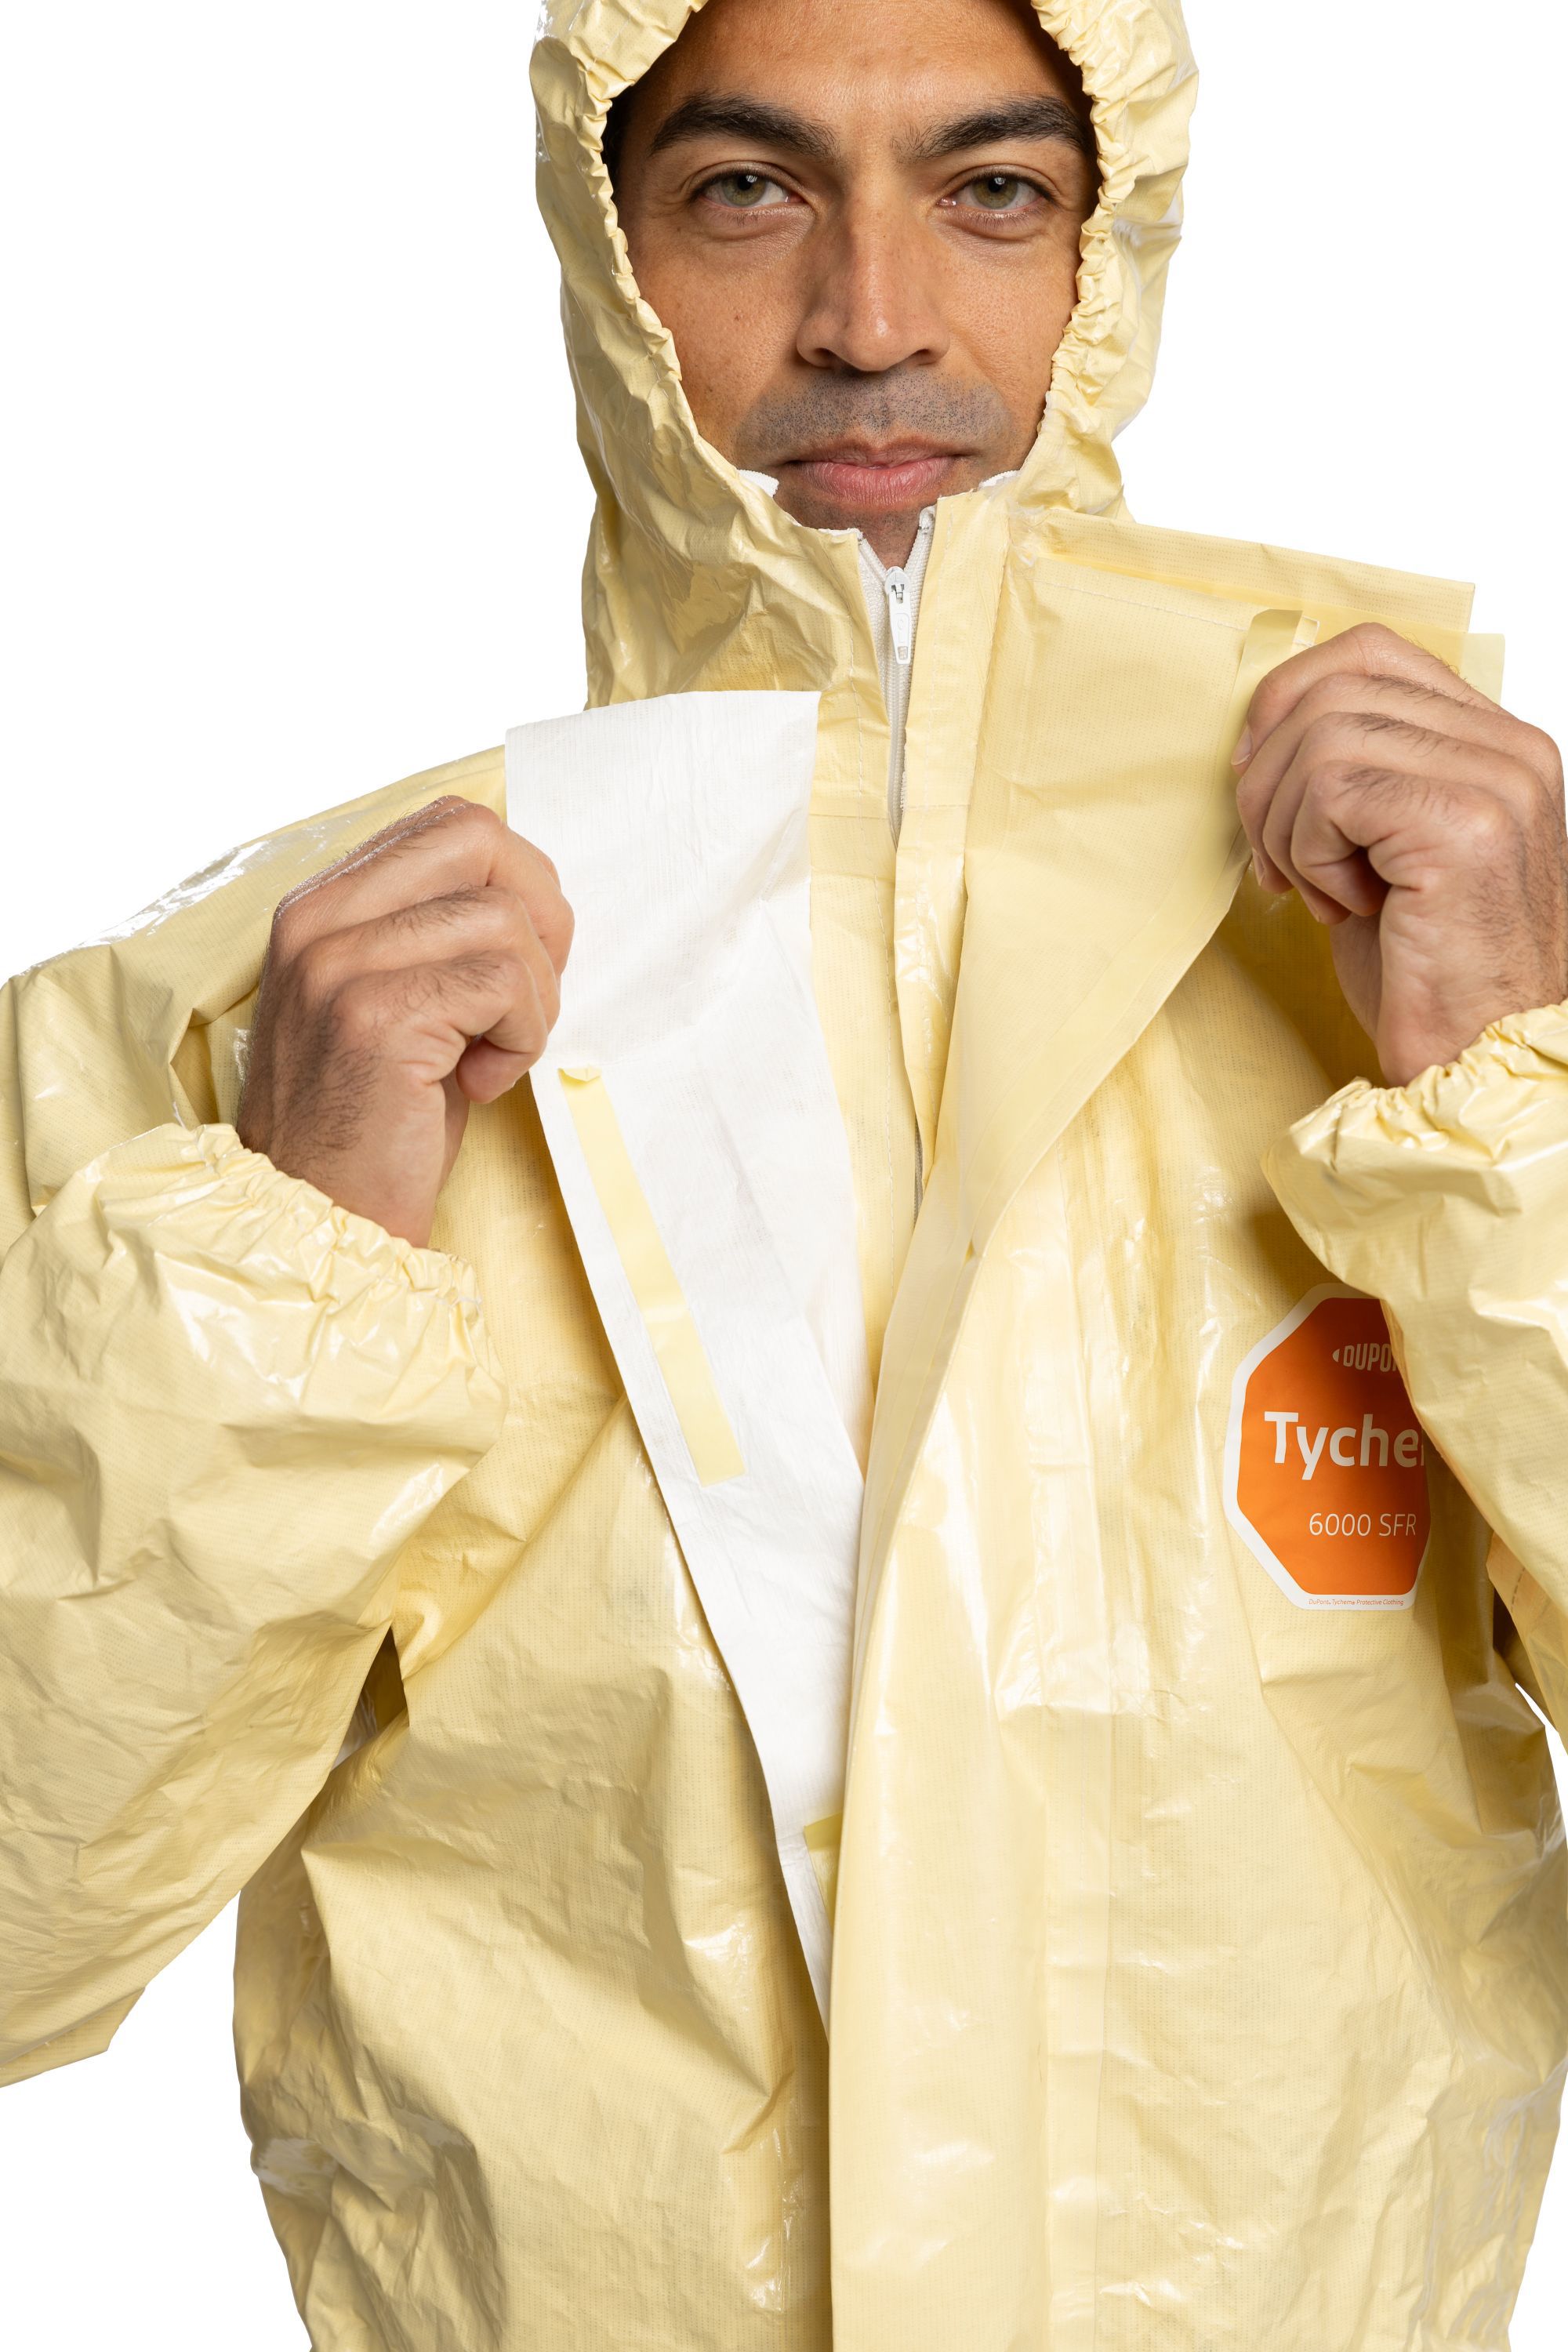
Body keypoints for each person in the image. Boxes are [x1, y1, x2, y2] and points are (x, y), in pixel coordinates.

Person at [2, 0, 1566, 2345]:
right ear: (605, 250)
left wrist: (1517, 1116)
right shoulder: (257, 1024)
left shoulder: (1453, 956)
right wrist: (283, 1269)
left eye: (992, 191)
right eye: (748, 191)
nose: (872, 317)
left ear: (1112, 246)